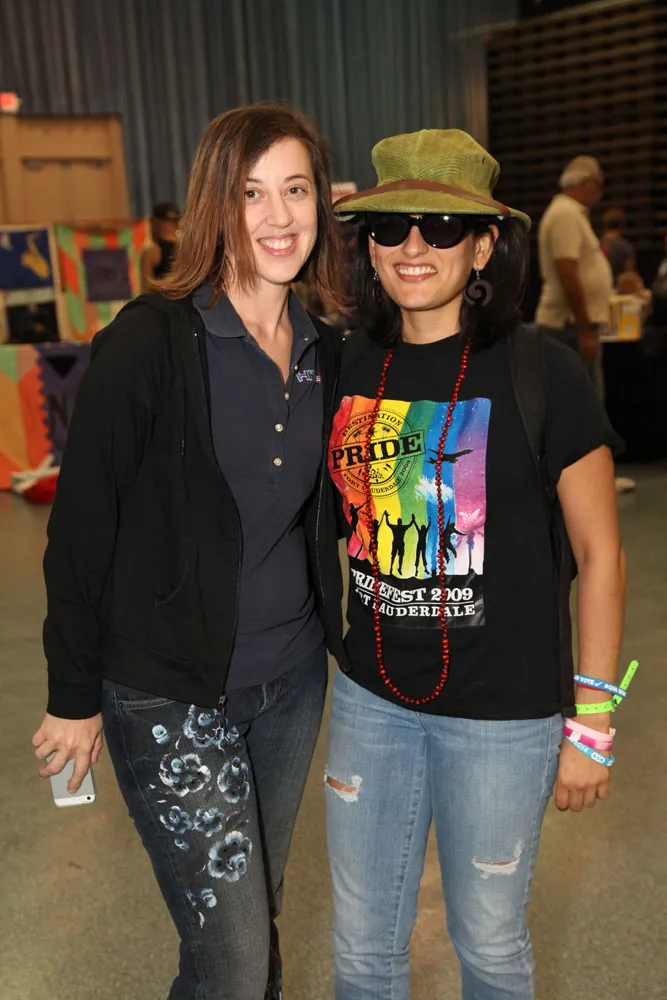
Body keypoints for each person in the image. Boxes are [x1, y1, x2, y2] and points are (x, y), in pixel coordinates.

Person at [31, 103, 348, 1000]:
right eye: (252, 193)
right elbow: (81, 528)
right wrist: (71, 696)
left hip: (290, 682)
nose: (278, 216)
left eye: (296, 191)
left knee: (237, 937)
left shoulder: (325, 350)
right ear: (215, 204)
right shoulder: (150, 341)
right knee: (239, 960)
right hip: (167, 688)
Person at [326, 129, 626, 1000]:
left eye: (442, 226)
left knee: (489, 947)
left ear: (485, 244)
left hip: (501, 718)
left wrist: (593, 723)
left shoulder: (541, 372)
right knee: (361, 949)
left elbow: (601, 554)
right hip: (370, 700)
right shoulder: (346, 362)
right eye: (390, 227)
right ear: (367, 247)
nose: (412, 246)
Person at [536, 157, 635, 492]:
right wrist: (583, 329)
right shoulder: (565, 214)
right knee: (585, 406)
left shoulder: (570, 214)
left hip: (573, 325)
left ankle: (594, 478)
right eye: (599, 184)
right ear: (586, 183)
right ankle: (595, 480)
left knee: (582, 404)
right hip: (569, 326)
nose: (600, 192)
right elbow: (567, 273)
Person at [142, 200, 180, 290]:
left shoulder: (151, 253)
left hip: (161, 297)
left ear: (155, 222)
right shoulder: (189, 251)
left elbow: (147, 288)